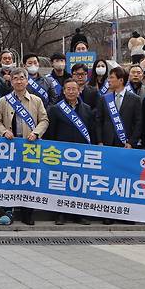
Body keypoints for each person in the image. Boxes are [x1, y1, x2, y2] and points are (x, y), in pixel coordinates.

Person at [0, 67, 49, 225]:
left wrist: (37, 133)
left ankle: (27, 212)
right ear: (11, 81)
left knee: (28, 178)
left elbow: (44, 120)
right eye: (15, 78)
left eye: (22, 78)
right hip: (9, 147)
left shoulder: (36, 100)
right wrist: (3, 132)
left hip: (29, 146)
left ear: (27, 80)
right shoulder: (3, 101)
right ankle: (9, 212)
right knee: (9, 178)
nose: (19, 81)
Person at [45, 78, 96, 225]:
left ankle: (78, 214)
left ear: (79, 90)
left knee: (79, 184)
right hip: (61, 153)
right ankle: (60, 214)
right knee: (61, 183)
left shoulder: (87, 109)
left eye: (74, 89)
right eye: (68, 89)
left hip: (81, 154)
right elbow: (51, 133)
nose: (71, 91)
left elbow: (91, 131)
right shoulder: (55, 109)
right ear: (64, 91)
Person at [95, 66, 142, 225]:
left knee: (125, 180)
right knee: (108, 180)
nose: (109, 80)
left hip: (125, 145)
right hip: (108, 144)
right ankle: (108, 213)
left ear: (121, 80)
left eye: (112, 78)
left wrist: (131, 142)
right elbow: (99, 121)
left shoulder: (134, 99)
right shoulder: (104, 98)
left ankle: (125, 214)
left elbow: (138, 123)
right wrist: (100, 141)